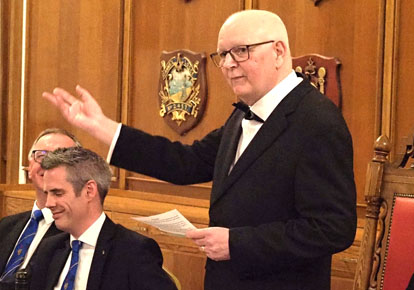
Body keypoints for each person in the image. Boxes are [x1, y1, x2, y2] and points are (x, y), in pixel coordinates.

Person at [41, 9, 356, 290]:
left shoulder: (317, 121)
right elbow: (185, 163)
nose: (229, 64)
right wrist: (103, 128)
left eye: (241, 51)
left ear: (278, 51)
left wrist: (237, 242)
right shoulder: (242, 114)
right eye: (223, 55)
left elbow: (333, 228)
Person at [26, 147, 176, 290]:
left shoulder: (133, 250)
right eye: (47, 194)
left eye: (57, 193)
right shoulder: (50, 248)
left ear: (89, 191)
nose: (48, 203)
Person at [0, 128, 80, 289]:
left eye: (61, 157)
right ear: (30, 166)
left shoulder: (76, 234)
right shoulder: (6, 226)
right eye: (41, 156)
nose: (48, 164)